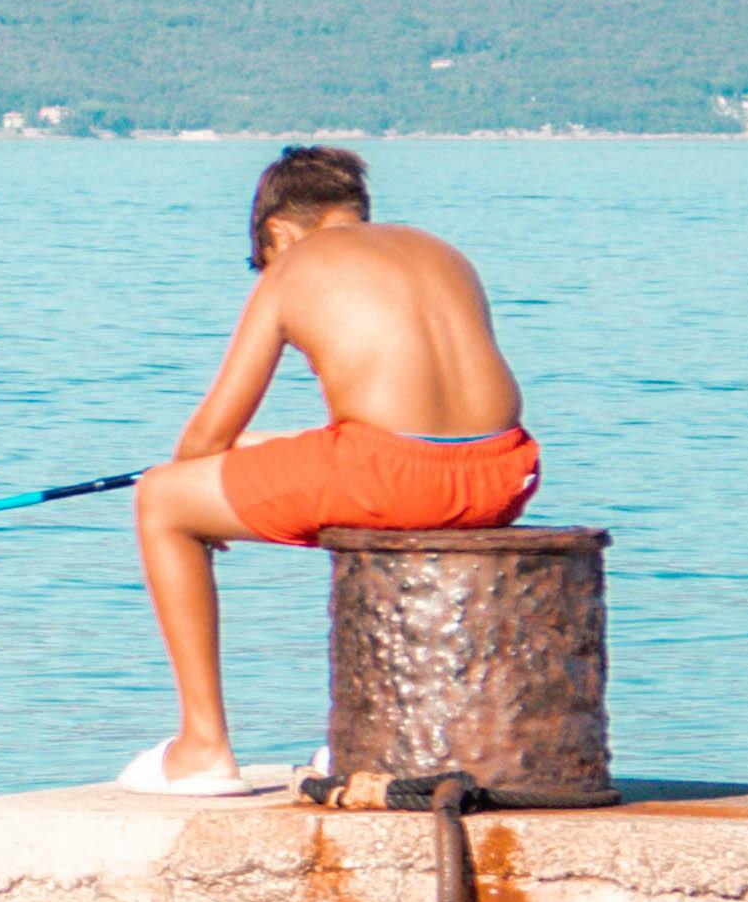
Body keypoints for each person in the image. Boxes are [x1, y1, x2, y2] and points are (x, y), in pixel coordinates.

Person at [120, 142, 538, 792]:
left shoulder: (295, 264)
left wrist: (202, 495)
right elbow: (424, 414)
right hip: (501, 472)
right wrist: (266, 453)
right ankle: (384, 733)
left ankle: (201, 747)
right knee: (350, 475)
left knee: (159, 501)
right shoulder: (440, 251)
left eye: (262, 258)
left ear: (278, 232)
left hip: (389, 477)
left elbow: (208, 431)